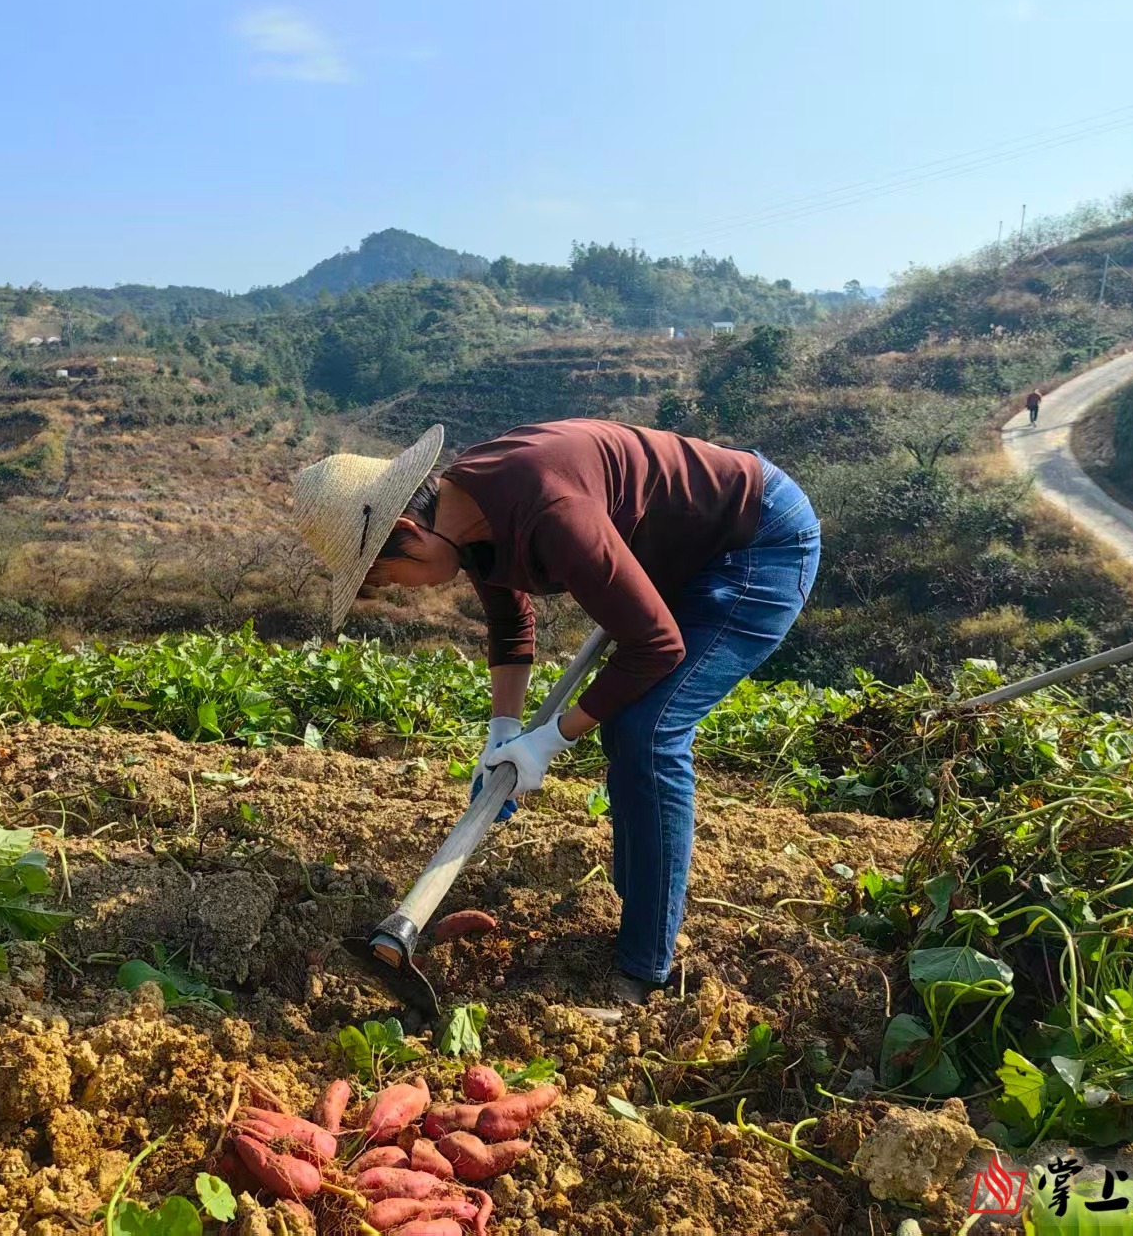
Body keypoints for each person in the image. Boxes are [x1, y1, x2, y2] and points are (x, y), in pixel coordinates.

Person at [291, 419, 820, 1005]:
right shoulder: (467, 515)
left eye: (391, 578)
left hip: (756, 540)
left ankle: (644, 970)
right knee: (625, 724)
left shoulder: (548, 509)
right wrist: (504, 733)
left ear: (410, 530)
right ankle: (644, 898)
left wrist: (548, 743)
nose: (403, 591)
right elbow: (512, 621)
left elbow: (657, 647)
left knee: (647, 732)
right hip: (681, 546)